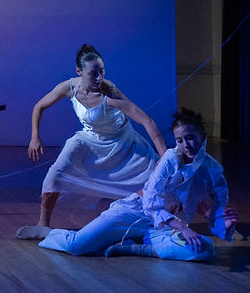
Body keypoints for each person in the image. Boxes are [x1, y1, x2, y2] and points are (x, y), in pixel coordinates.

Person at [38, 108, 238, 261]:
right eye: (180, 140)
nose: (185, 145)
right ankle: (50, 234)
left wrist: (224, 225)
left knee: (205, 249)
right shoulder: (170, 159)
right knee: (76, 246)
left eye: (190, 138)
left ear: (203, 137)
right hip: (133, 213)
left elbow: (213, 214)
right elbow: (150, 202)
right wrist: (183, 228)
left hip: (163, 229)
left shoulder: (213, 172)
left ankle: (136, 248)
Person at [17, 44, 167, 239]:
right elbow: (39, 106)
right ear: (79, 71)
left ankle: (160, 218)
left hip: (122, 141)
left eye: (101, 72)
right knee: (56, 173)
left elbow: (146, 120)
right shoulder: (69, 88)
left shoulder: (109, 91)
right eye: (93, 74)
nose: (98, 78)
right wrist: (35, 137)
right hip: (90, 139)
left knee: (159, 176)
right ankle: (42, 225)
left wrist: (166, 157)